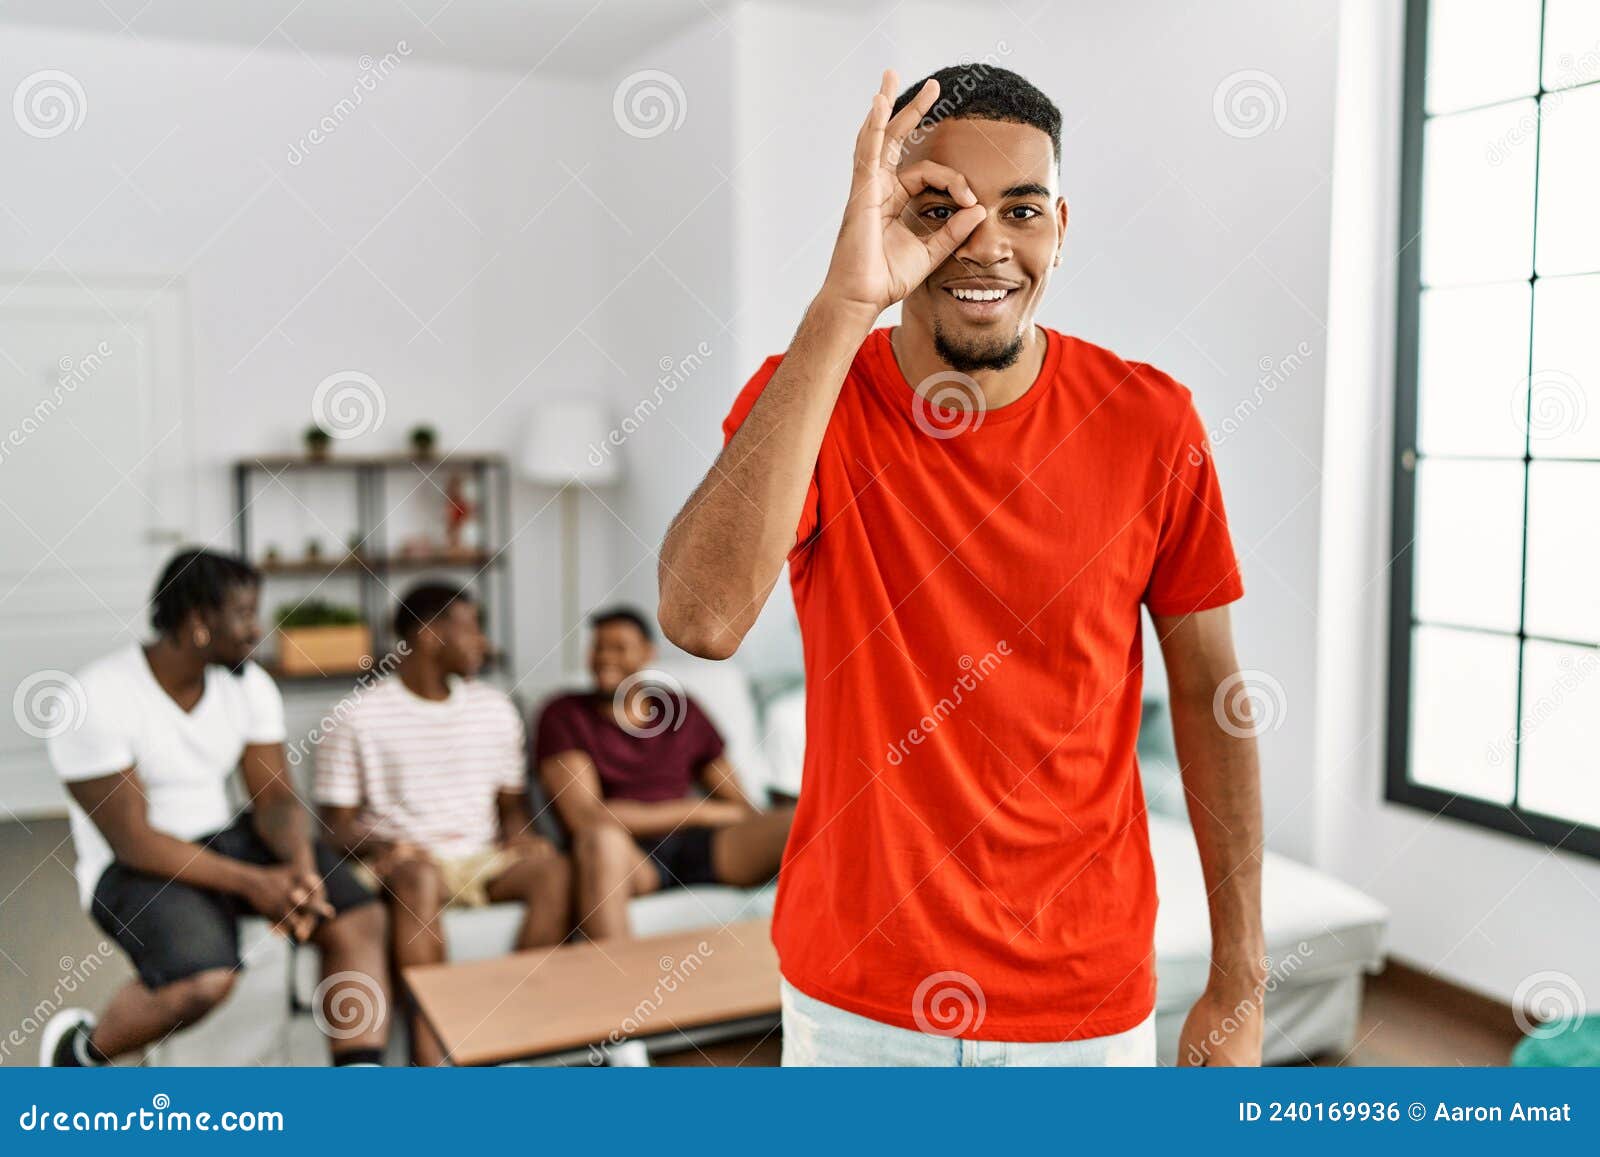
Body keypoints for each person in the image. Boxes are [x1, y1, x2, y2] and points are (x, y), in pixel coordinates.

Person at [656, 65, 1266, 1066]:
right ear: (886, 215)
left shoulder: (1153, 422)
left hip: (1082, 998)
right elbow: (700, 618)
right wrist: (843, 300)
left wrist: (1239, 976)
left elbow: (1208, 694)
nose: (983, 245)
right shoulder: (809, 396)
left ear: (1060, 228)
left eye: (1020, 209)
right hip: (856, 996)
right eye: (938, 208)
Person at [41, 549, 389, 1067]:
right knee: (205, 981)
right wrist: (256, 885)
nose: (258, 629)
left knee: (356, 915)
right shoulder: (94, 699)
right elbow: (134, 840)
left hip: (225, 837)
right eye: (246, 614)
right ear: (200, 621)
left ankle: (360, 1083)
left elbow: (272, 799)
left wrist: (299, 869)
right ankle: (80, 1052)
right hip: (134, 866)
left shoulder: (248, 686)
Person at [316, 582, 570, 1067]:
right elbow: (334, 828)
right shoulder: (356, 716)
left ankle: (507, 1031)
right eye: (472, 629)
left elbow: (512, 806)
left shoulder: (494, 709)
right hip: (403, 863)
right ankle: (429, 1058)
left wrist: (523, 838)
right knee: (420, 877)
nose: (483, 644)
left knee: (556, 872)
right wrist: (391, 844)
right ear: (431, 635)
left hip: (480, 859)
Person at [534, 606, 792, 942]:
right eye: (598, 647)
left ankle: (830, 972)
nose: (604, 658)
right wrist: (696, 811)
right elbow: (586, 818)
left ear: (647, 654)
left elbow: (739, 804)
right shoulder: (564, 714)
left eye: (619, 648)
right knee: (601, 839)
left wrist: (724, 814)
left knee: (803, 821)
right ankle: (614, 983)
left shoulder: (681, 709)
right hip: (629, 857)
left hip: (698, 847)